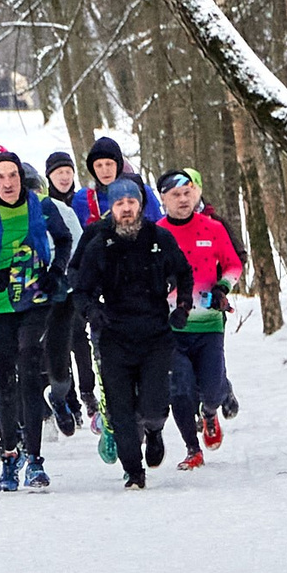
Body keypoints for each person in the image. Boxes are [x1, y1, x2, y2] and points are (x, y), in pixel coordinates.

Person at [0, 149, 74, 492]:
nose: (7, 183)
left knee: (30, 367)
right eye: (0, 177)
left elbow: (64, 241)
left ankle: (35, 460)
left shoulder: (41, 206)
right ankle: (10, 457)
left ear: (22, 178)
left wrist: (56, 272)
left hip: (34, 302)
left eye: (13, 176)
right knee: (5, 384)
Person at [68, 177, 194, 488]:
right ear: (111, 208)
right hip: (114, 334)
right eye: (120, 204)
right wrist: (92, 311)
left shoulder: (159, 237)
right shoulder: (99, 243)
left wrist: (183, 307)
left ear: (140, 205)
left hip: (155, 333)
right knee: (120, 407)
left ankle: (154, 429)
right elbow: (80, 290)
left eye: (131, 203)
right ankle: (134, 471)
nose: (126, 209)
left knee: (152, 405)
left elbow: (184, 272)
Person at [156, 168, 242, 467]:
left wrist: (222, 287)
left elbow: (233, 265)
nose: (183, 199)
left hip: (209, 325)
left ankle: (209, 412)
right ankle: (193, 449)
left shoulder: (213, 228)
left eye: (188, 192)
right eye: (175, 195)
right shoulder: (156, 233)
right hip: (170, 329)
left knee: (211, 388)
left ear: (196, 193)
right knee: (179, 389)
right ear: (163, 199)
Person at [39, 152, 95, 434]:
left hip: (76, 283)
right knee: (58, 344)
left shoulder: (82, 201)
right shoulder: (42, 203)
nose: (64, 177)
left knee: (79, 340)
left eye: (68, 171)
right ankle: (68, 398)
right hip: (49, 286)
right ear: (48, 176)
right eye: (58, 172)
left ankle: (87, 393)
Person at [78, 134, 138, 225]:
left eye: (109, 164)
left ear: (118, 165)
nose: (105, 170)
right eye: (99, 165)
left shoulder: (140, 192)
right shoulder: (82, 199)